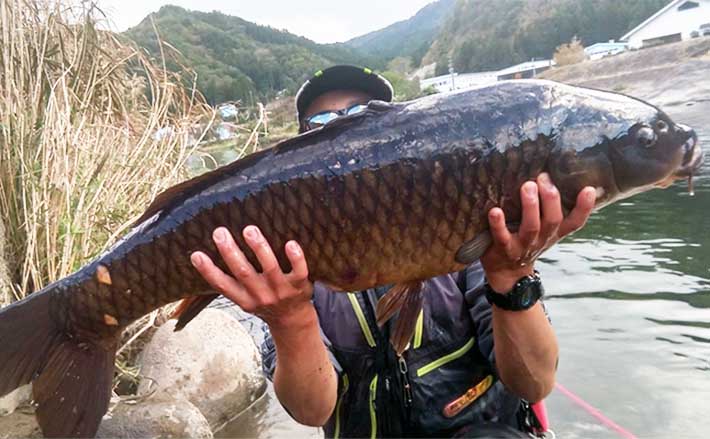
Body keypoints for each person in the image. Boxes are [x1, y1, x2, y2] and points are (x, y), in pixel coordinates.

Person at [189, 65, 597, 437]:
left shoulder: (462, 225)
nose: (348, 128)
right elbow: (312, 412)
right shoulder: (283, 264)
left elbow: (535, 383)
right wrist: (290, 319)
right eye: (324, 123)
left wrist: (512, 275)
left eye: (365, 114)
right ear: (300, 156)